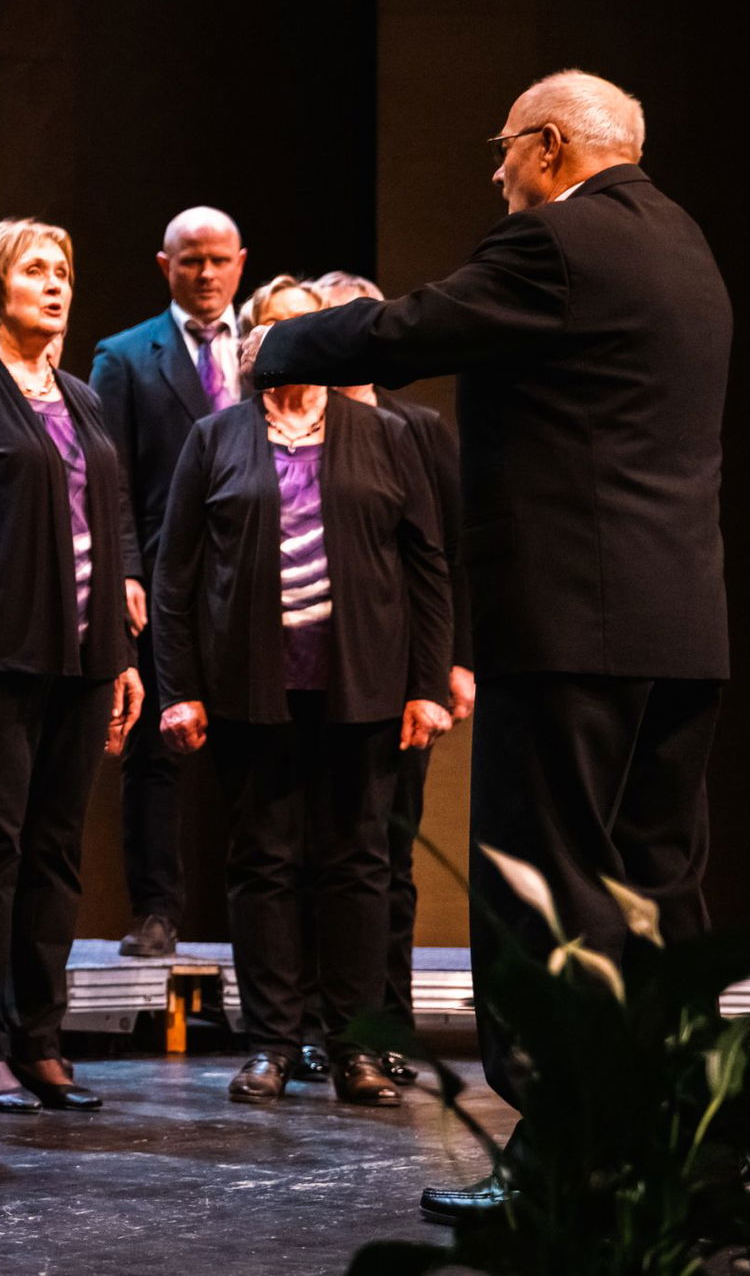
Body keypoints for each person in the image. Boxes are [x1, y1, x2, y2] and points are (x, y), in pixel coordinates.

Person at [250, 70, 730, 1226]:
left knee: (542, 899)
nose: (497, 173)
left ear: (554, 144)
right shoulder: (690, 247)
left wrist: (282, 345)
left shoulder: (562, 241)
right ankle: (672, 1160)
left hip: (573, 629)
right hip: (681, 629)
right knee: (654, 901)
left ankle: (559, 1168)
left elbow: (413, 324)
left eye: (506, 150)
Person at [153, 276, 454, 1110]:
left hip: (363, 690)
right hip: (255, 691)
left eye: (303, 330)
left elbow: (429, 565)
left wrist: (428, 684)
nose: (284, 345)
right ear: (249, 347)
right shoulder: (215, 438)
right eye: (270, 331)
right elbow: (174, 575)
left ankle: (356, 1048)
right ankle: (273, 1044)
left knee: (359, 864)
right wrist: (180, 688)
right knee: (264, 863)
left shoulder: (384, 435)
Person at [0, 219, 146, 1115]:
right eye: (37, 269)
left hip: (82, 661)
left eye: (65, 270)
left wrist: (120, 661)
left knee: (55, 852)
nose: (56, 284)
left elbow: (108, 528)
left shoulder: (82, 398)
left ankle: (42, 1038)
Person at [311, 269, 477, 1089]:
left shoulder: (416, 427)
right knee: (326, 850)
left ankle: (392, 1021)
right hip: (323, 675)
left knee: (391, 850)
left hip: (405, 673)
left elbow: (450, 553)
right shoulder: (295, 430)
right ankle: (329, 1025)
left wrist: (454, 664)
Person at [88, 205, 250, 959]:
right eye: (192, 261)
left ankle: (260, 915)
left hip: (250, 582)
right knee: (155, 752)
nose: (207, 274)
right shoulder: (123, 356)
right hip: (160, 578)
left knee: (254, 748)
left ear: (241, 262)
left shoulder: (267, 349)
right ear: (166, 266)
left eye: (219, 260)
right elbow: (107, 477)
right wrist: (123, 567)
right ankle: (155, 907)